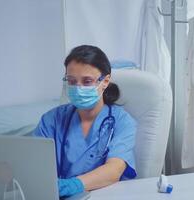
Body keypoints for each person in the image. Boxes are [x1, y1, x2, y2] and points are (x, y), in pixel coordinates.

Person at [34, 45, 137, 197]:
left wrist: (71, 185)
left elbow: (114, 170)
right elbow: (34, 166)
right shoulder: (51, 120)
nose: (78, 88)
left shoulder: (122, 122)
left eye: (87, 81)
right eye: (71, 81)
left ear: (105, 81)